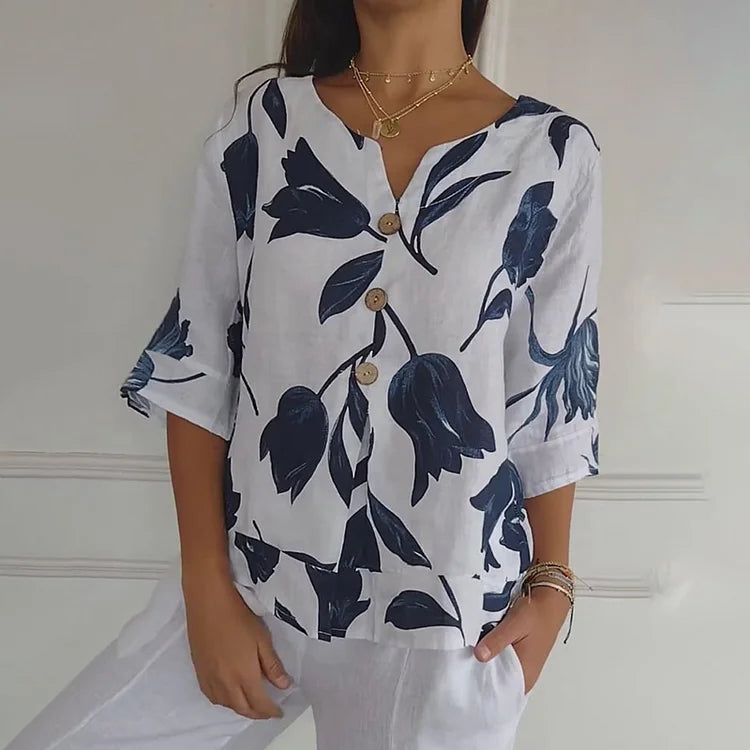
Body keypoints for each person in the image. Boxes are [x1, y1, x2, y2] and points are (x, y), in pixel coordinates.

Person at [5, 0, 603, 748]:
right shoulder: (262, 127)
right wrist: (205, 586)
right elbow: (199, 363)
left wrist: (553, 585)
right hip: (254, 585)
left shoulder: (551, 153)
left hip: (447, 624)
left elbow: (551, 394)